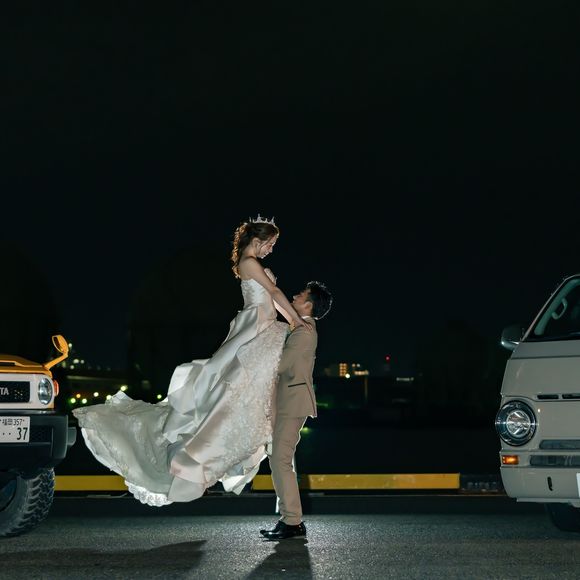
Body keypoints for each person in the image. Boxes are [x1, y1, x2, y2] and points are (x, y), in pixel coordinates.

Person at [73, 215, 311, 506]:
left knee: (244, 388)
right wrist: (295, 320)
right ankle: (204, 451)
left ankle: (259, 442)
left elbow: (271, 296)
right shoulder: (249, 263)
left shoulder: (251, 263)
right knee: (231, 388)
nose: (271, 249)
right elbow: (272, 293)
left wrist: (291, 321)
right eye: (270, 244)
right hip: (256, 326)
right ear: (258, 240)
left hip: (261, 325)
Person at [260, 281, 333, 540]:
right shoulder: (300, 327)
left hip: (292, 402)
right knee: (279, 459)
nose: (295, 295)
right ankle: (290, 519)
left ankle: (292, 521)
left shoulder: (304, 332)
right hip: (289, 401)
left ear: (308, 305)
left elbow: (281, 365)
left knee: (280, 459)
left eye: (300, 295)